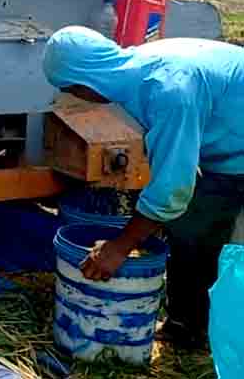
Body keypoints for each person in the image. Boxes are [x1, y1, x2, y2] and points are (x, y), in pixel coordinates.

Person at [43, 25, 244, 347]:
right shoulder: (134, 69)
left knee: (219, 239)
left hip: (236, 153)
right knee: (191, 225)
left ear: (85, 84)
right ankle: (188, 324)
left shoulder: (167, 90)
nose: (74, 98)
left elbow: (171, 190)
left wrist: (119, 246)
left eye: (70, 90)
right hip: (228, 138)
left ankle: (213, 333)